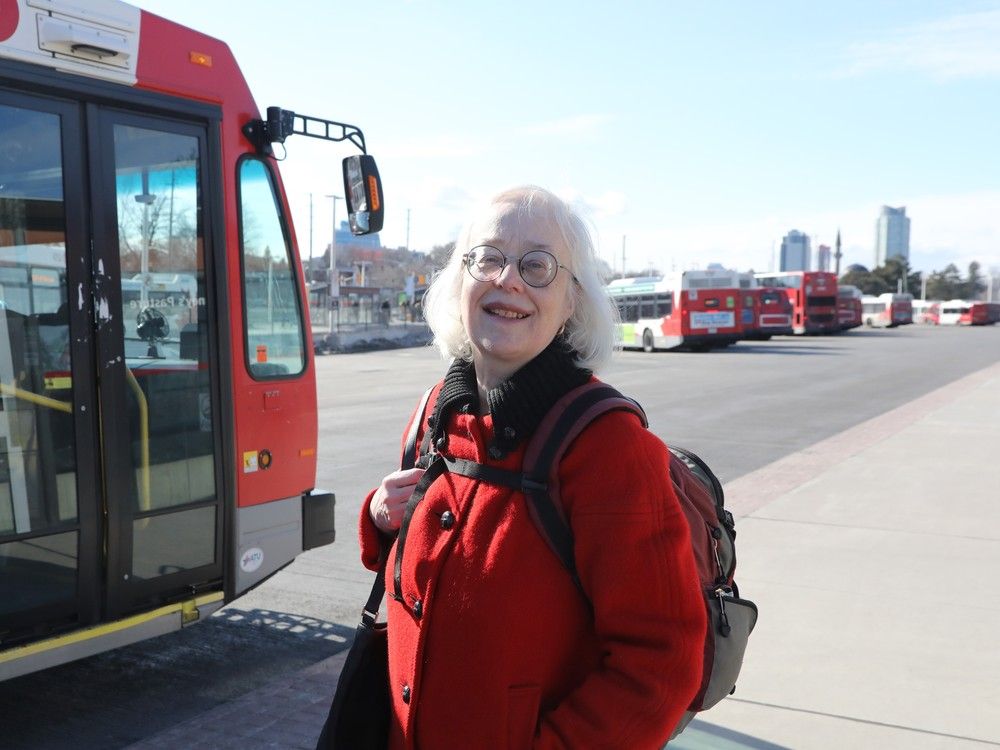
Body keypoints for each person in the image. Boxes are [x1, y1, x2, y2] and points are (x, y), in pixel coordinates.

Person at [359, 186, 705, 749]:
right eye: (488, 258)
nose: (508, 280)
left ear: (572, 301)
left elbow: (661, 665)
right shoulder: (434, 413)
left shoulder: (608, 447)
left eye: (537, 266)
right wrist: (379, 516)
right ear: (460, 279)